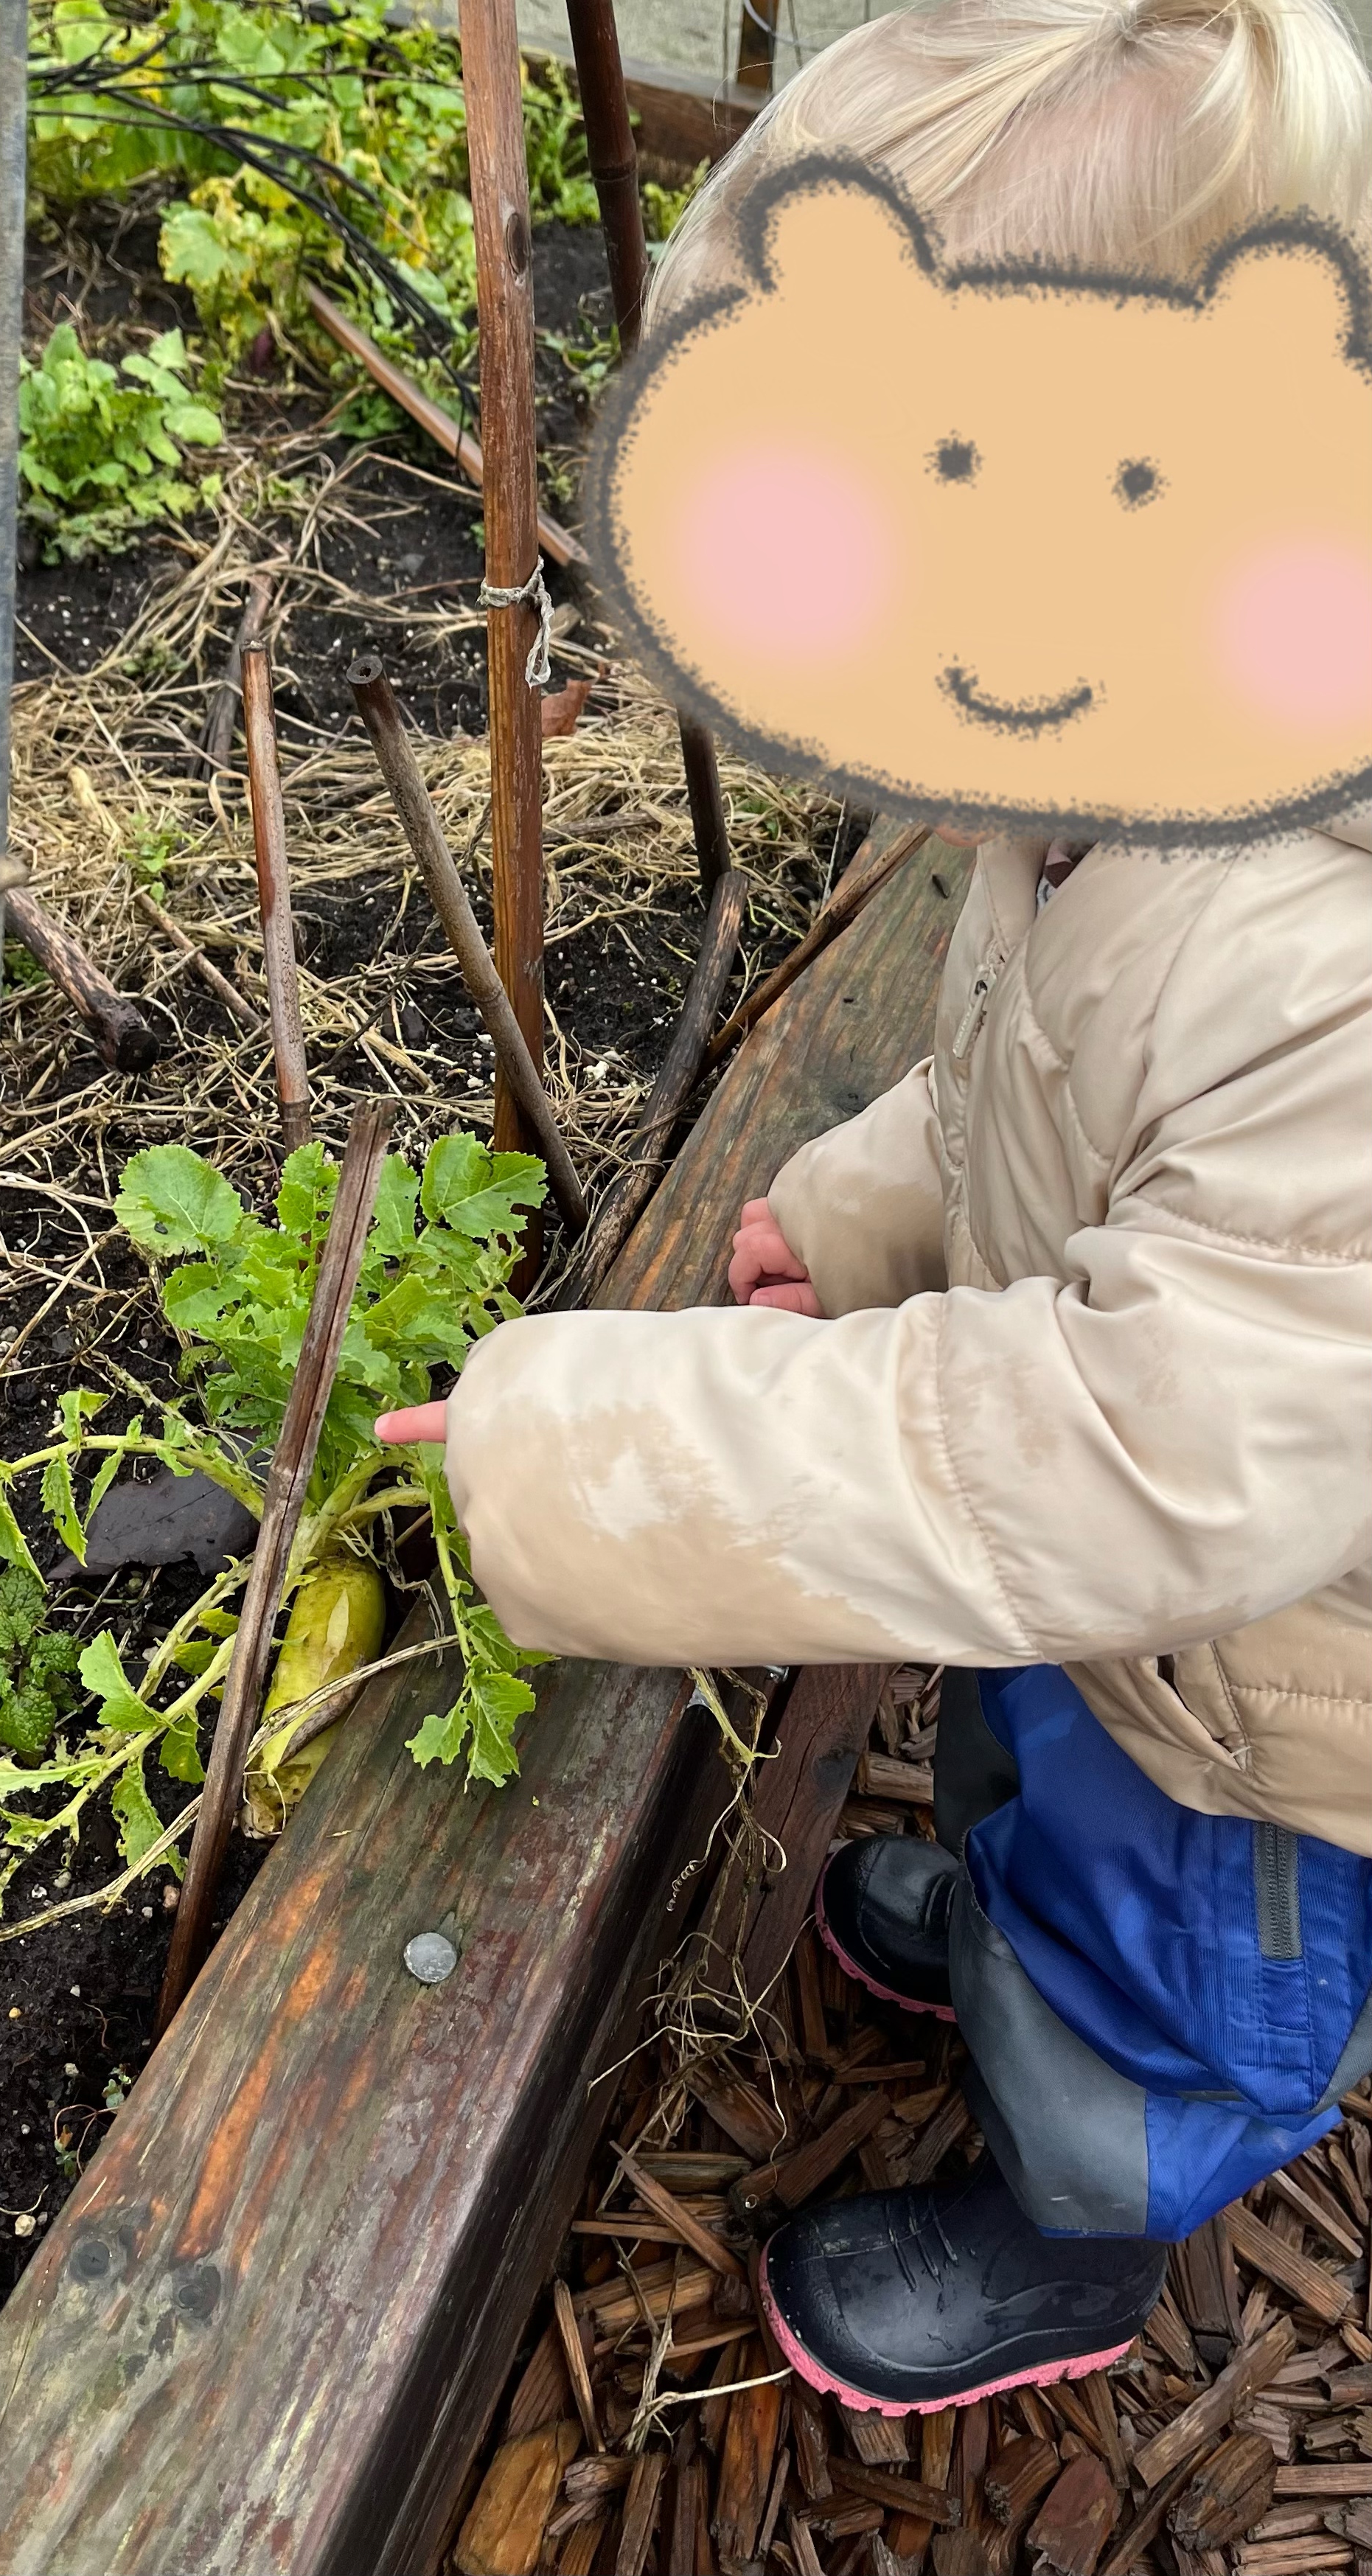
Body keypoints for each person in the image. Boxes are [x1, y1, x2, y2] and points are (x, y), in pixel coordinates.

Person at [375, 0, 1372, 2413]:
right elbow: (1040, 1085)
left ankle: (1080, 2227)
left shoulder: (1336, 967)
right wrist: (869, 1207)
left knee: (1179, 1974)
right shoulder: (1142, 787)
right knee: (1032, 1749)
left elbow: (1132, 1449)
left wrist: (598, 1455)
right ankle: (1017, 1931)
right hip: (1132, 1618)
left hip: (1280, 1703)